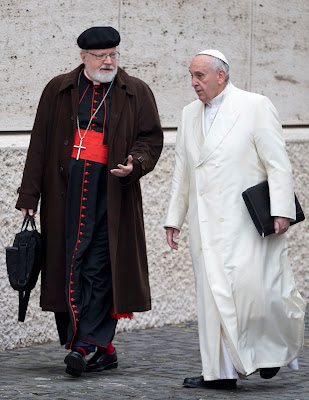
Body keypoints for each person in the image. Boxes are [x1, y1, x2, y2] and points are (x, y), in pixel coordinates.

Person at [16, 26, 163, 377]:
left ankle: (85, 345)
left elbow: (151, 139)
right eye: (101, 56)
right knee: (69, 264)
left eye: (113, 54)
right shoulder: (58, 89)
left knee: (99, 266)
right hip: (63, 193)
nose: (108, 61)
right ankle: (103, 348)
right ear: (83, 57)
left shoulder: (136, 91)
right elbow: (39, 142)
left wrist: (135, 163)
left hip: (110, 193)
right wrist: (29, 194)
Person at [164, 49, 305, 390]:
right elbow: (182, 169)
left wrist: (281, 210)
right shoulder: (187, 114)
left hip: (247, 221)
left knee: (255, 292)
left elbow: (277, 162)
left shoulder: (254, 105)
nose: (194, 83)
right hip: (205, 224)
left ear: (220, 76)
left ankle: (270, 353)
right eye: (191, 76)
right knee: (212, 297)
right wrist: (174, 218)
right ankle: (219, 373)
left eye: (200, 76)